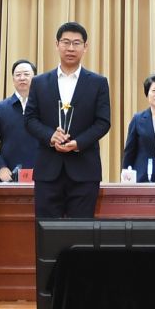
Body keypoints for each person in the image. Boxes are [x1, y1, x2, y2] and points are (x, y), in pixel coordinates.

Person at [24, 21, 112, 219]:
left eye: (76, 43)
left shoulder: (98, 83)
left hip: (85, 170)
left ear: (85, 47)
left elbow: (103, 122)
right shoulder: (39, 82)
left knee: (81, 232)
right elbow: (29, 119)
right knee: (47, 230)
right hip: (48, 170)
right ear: (57, 45)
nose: (70, 48)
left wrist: (78, 143)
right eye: (65, 42)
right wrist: (50, 136)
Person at [0, 60, 38, 181]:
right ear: (13, 79)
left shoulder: (44, 106)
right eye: (18, 75)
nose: (22, 78)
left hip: (41, 173)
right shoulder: (1, 108)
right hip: (10, 174)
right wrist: (0, 167)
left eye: (26, 74)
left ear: (35, 78)